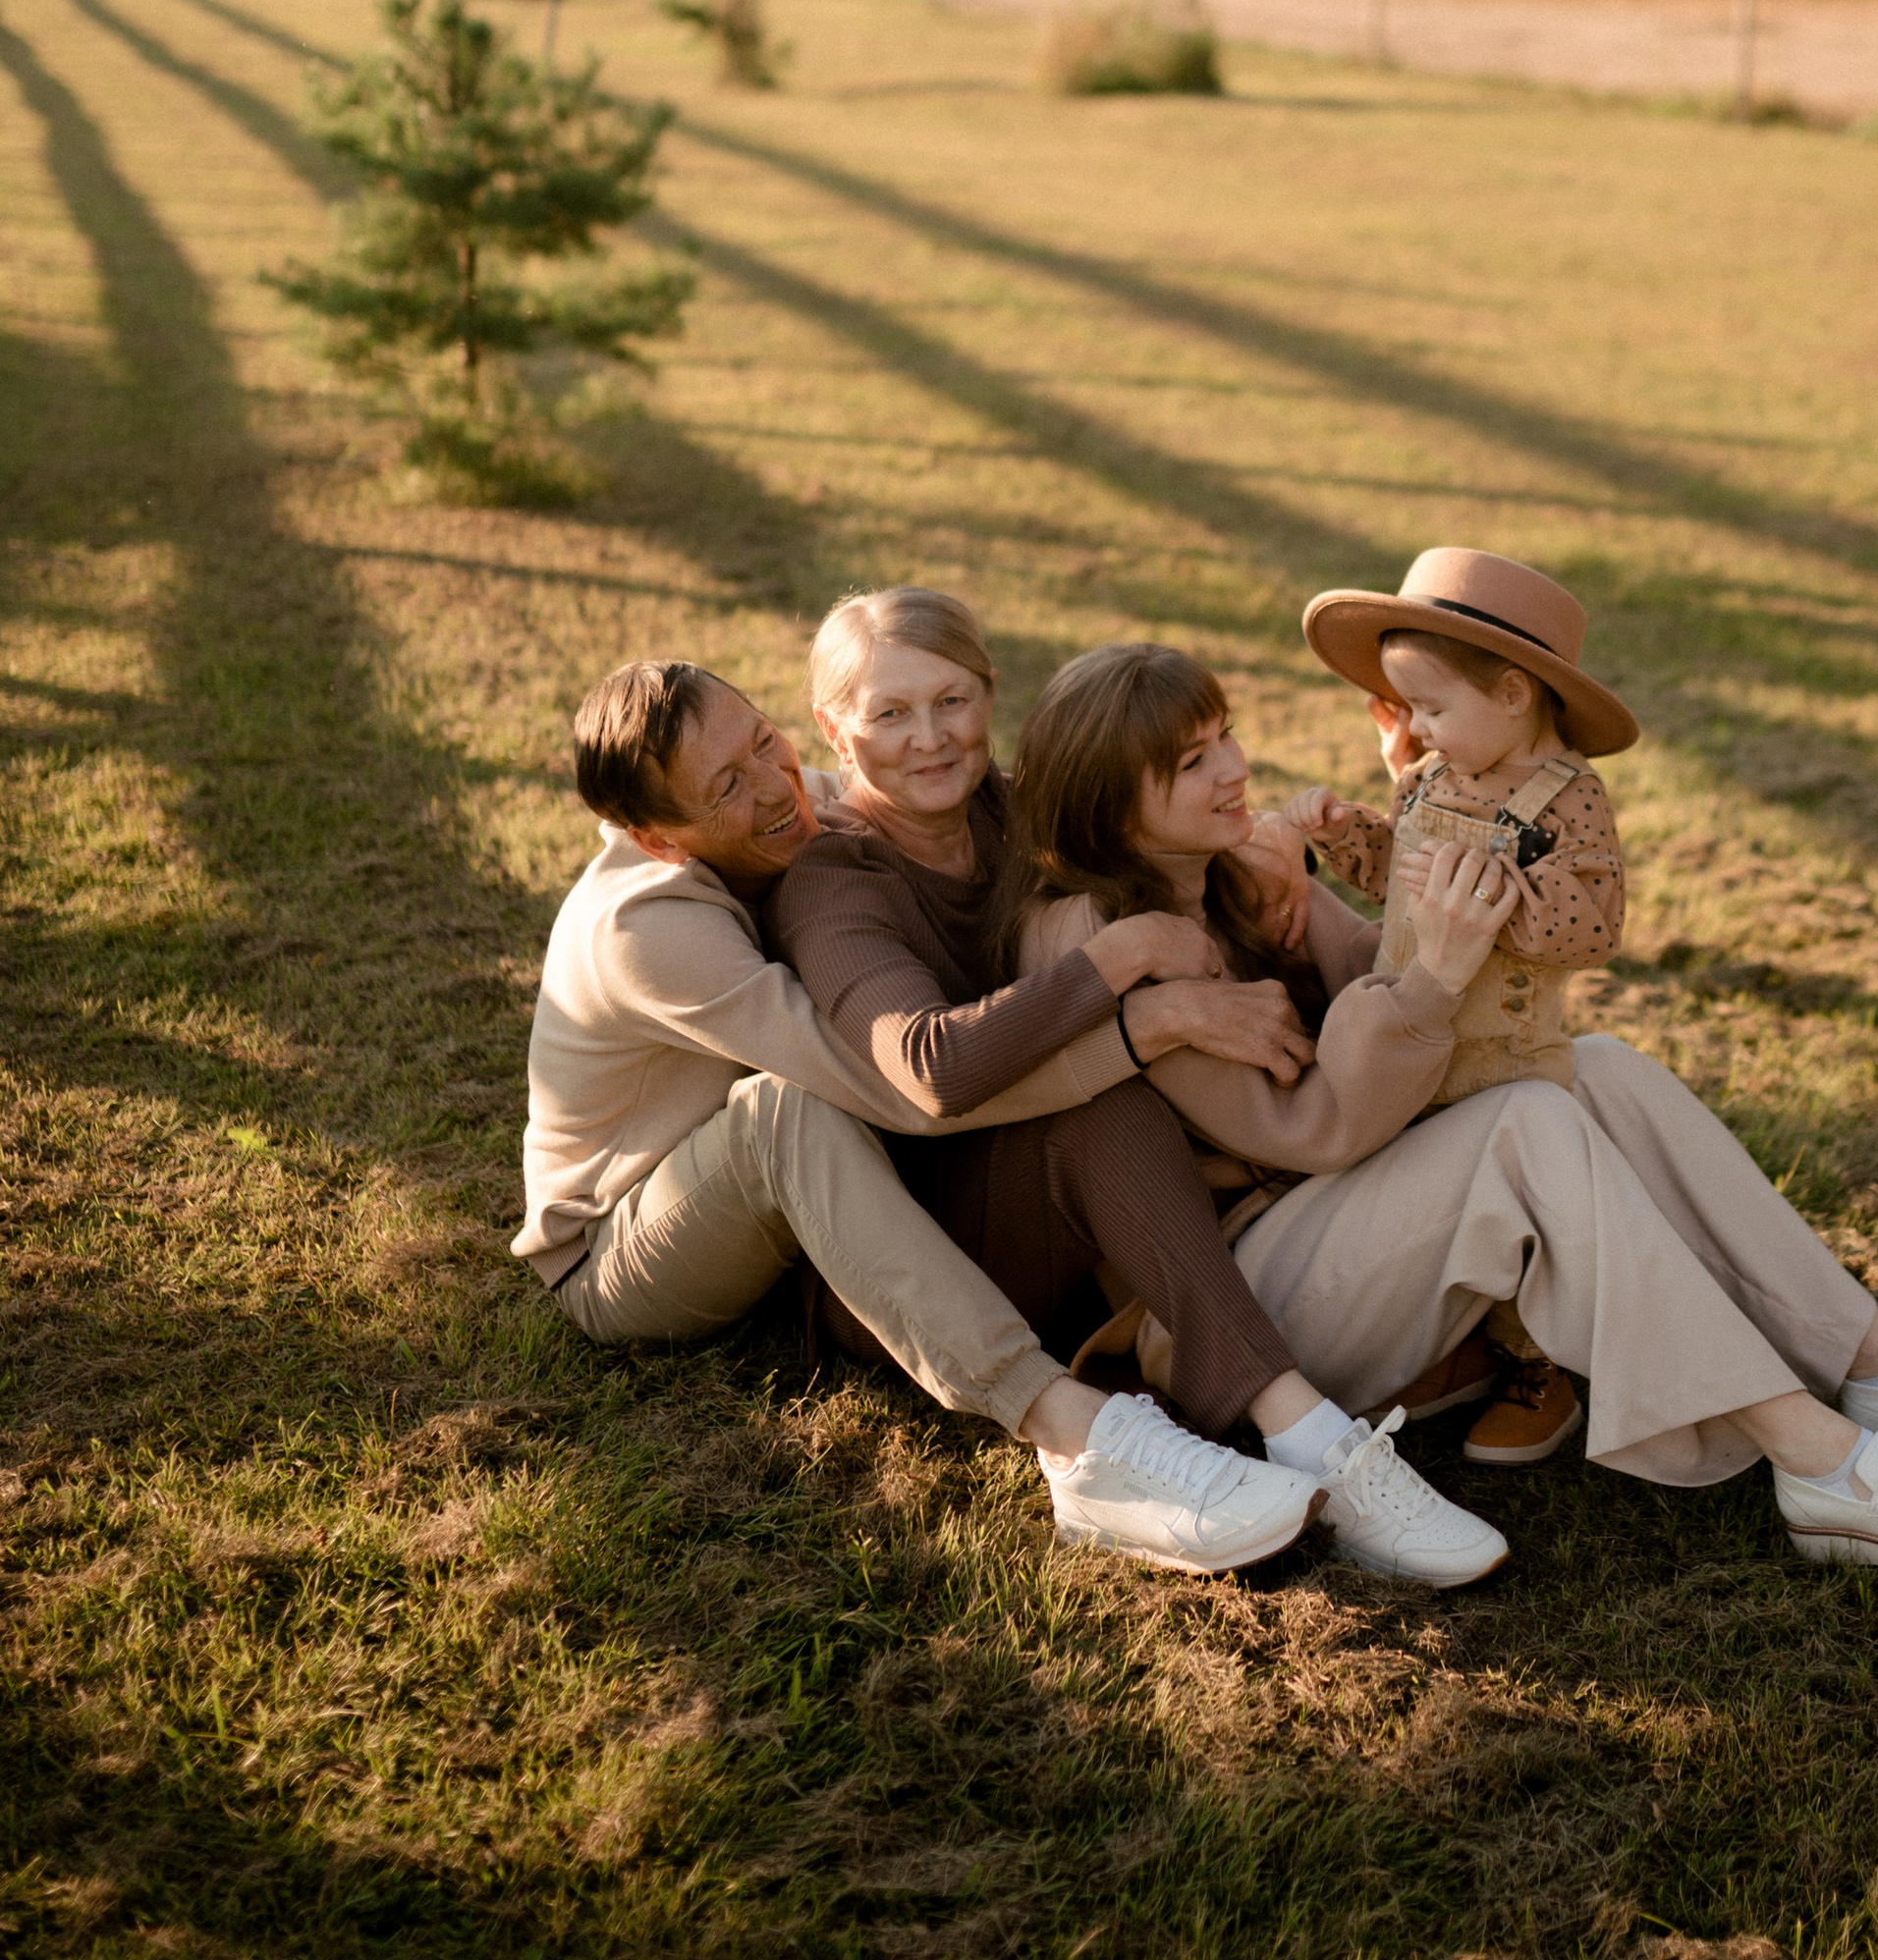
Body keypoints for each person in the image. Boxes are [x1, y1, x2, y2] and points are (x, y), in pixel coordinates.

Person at [1002, 641, 1878, 1576]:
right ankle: (1816, 1460)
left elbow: (1371, 979)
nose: (1238, 767)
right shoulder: (1105, 943)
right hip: (1256, 1305)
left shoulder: (1227, 872)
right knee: (1525, 1123)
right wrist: (1431, 977)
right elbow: (1321, 1128)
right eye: (1195, 762)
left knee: (1601, 1068)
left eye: (1226, 735)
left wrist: (1373, 872)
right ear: (1111, 805)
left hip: (1352, 1229)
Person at [520, 656, 1336, 1576]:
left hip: (811, 1219)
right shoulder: (647, 929)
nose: (775, 785)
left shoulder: (812, 803)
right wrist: (1139, 1025)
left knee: (901, 1117)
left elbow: (1094, 819)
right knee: (782, 1113)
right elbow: (907, 1091)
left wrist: (1257, 846)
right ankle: (1077, 1435)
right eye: (727, 787)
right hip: (625, 1244)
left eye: (762, 740)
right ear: (660, 838)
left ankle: (1280, 1405)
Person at [764, 588, 1513, 1590]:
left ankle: (1290, 1393)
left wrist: (1271, 839)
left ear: (991, 693)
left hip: (1075, 1232)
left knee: (1112, 1102)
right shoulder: (836, 877)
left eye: (951, 700)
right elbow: (933, 1069)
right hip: (919, 1255)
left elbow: (1149, 822)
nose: (930, 737)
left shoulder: (1011, 809)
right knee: (1102, 1100)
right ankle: (1302, 1430)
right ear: (832, 727)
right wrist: (1125, 973)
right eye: (889, 713)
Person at [1281, 545, 1638, 1471]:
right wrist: (1344, 835)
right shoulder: (1431, 781)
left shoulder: (1570, 803)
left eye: (1434, 709)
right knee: (1426, 1212)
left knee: (1519, 1223)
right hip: (1410, 1038)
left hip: (1504, 1060)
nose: (1420, 732)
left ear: (1516, 694)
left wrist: (1497, 896)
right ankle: (1446, 1346)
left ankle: (1537, 1370)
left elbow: (1592, 926)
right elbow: (1391, 877)